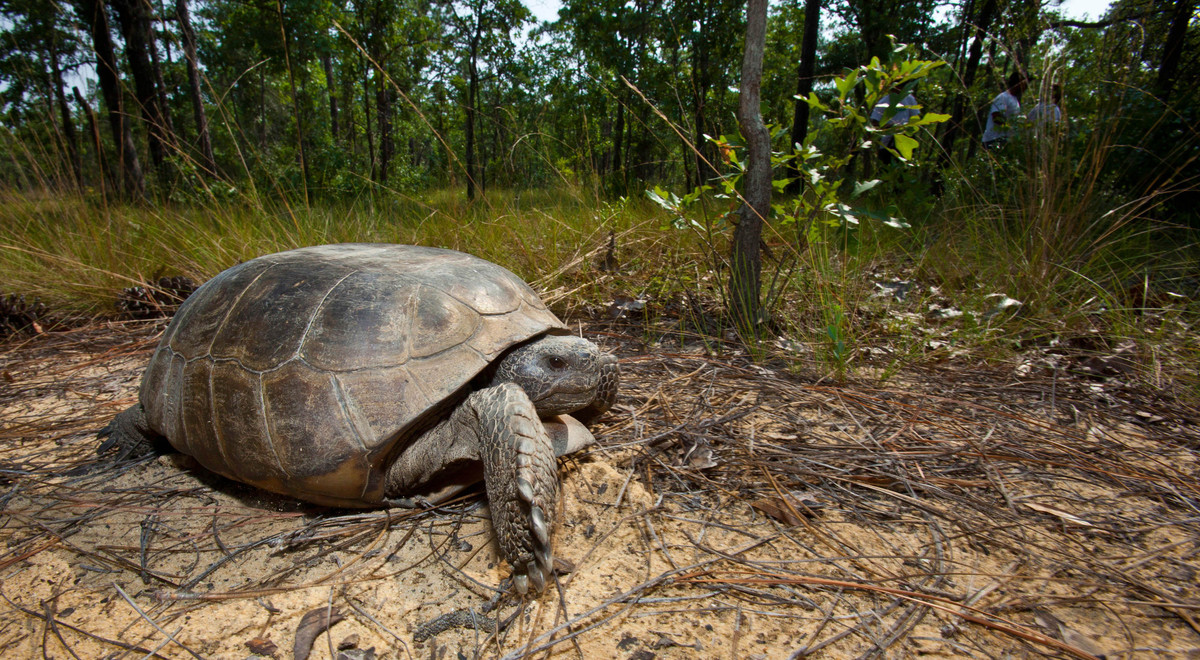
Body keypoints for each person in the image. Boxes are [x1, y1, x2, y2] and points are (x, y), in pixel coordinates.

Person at [870, 88, 920, 164]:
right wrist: (889, 127)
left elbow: (915, 119)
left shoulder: (909, 99)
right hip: (886, 143)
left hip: (905, 140)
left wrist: (905, 127)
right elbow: (874, 122)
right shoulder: (883, 102)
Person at [982, 72, 1028, 149]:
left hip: (1005, 139)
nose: (1025, 87)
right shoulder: (1003, 97)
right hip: (994, 140)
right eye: (1024, 84)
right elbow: (996, 117)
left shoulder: (1014, 99)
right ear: (1018, 84)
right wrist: (1010, 128)